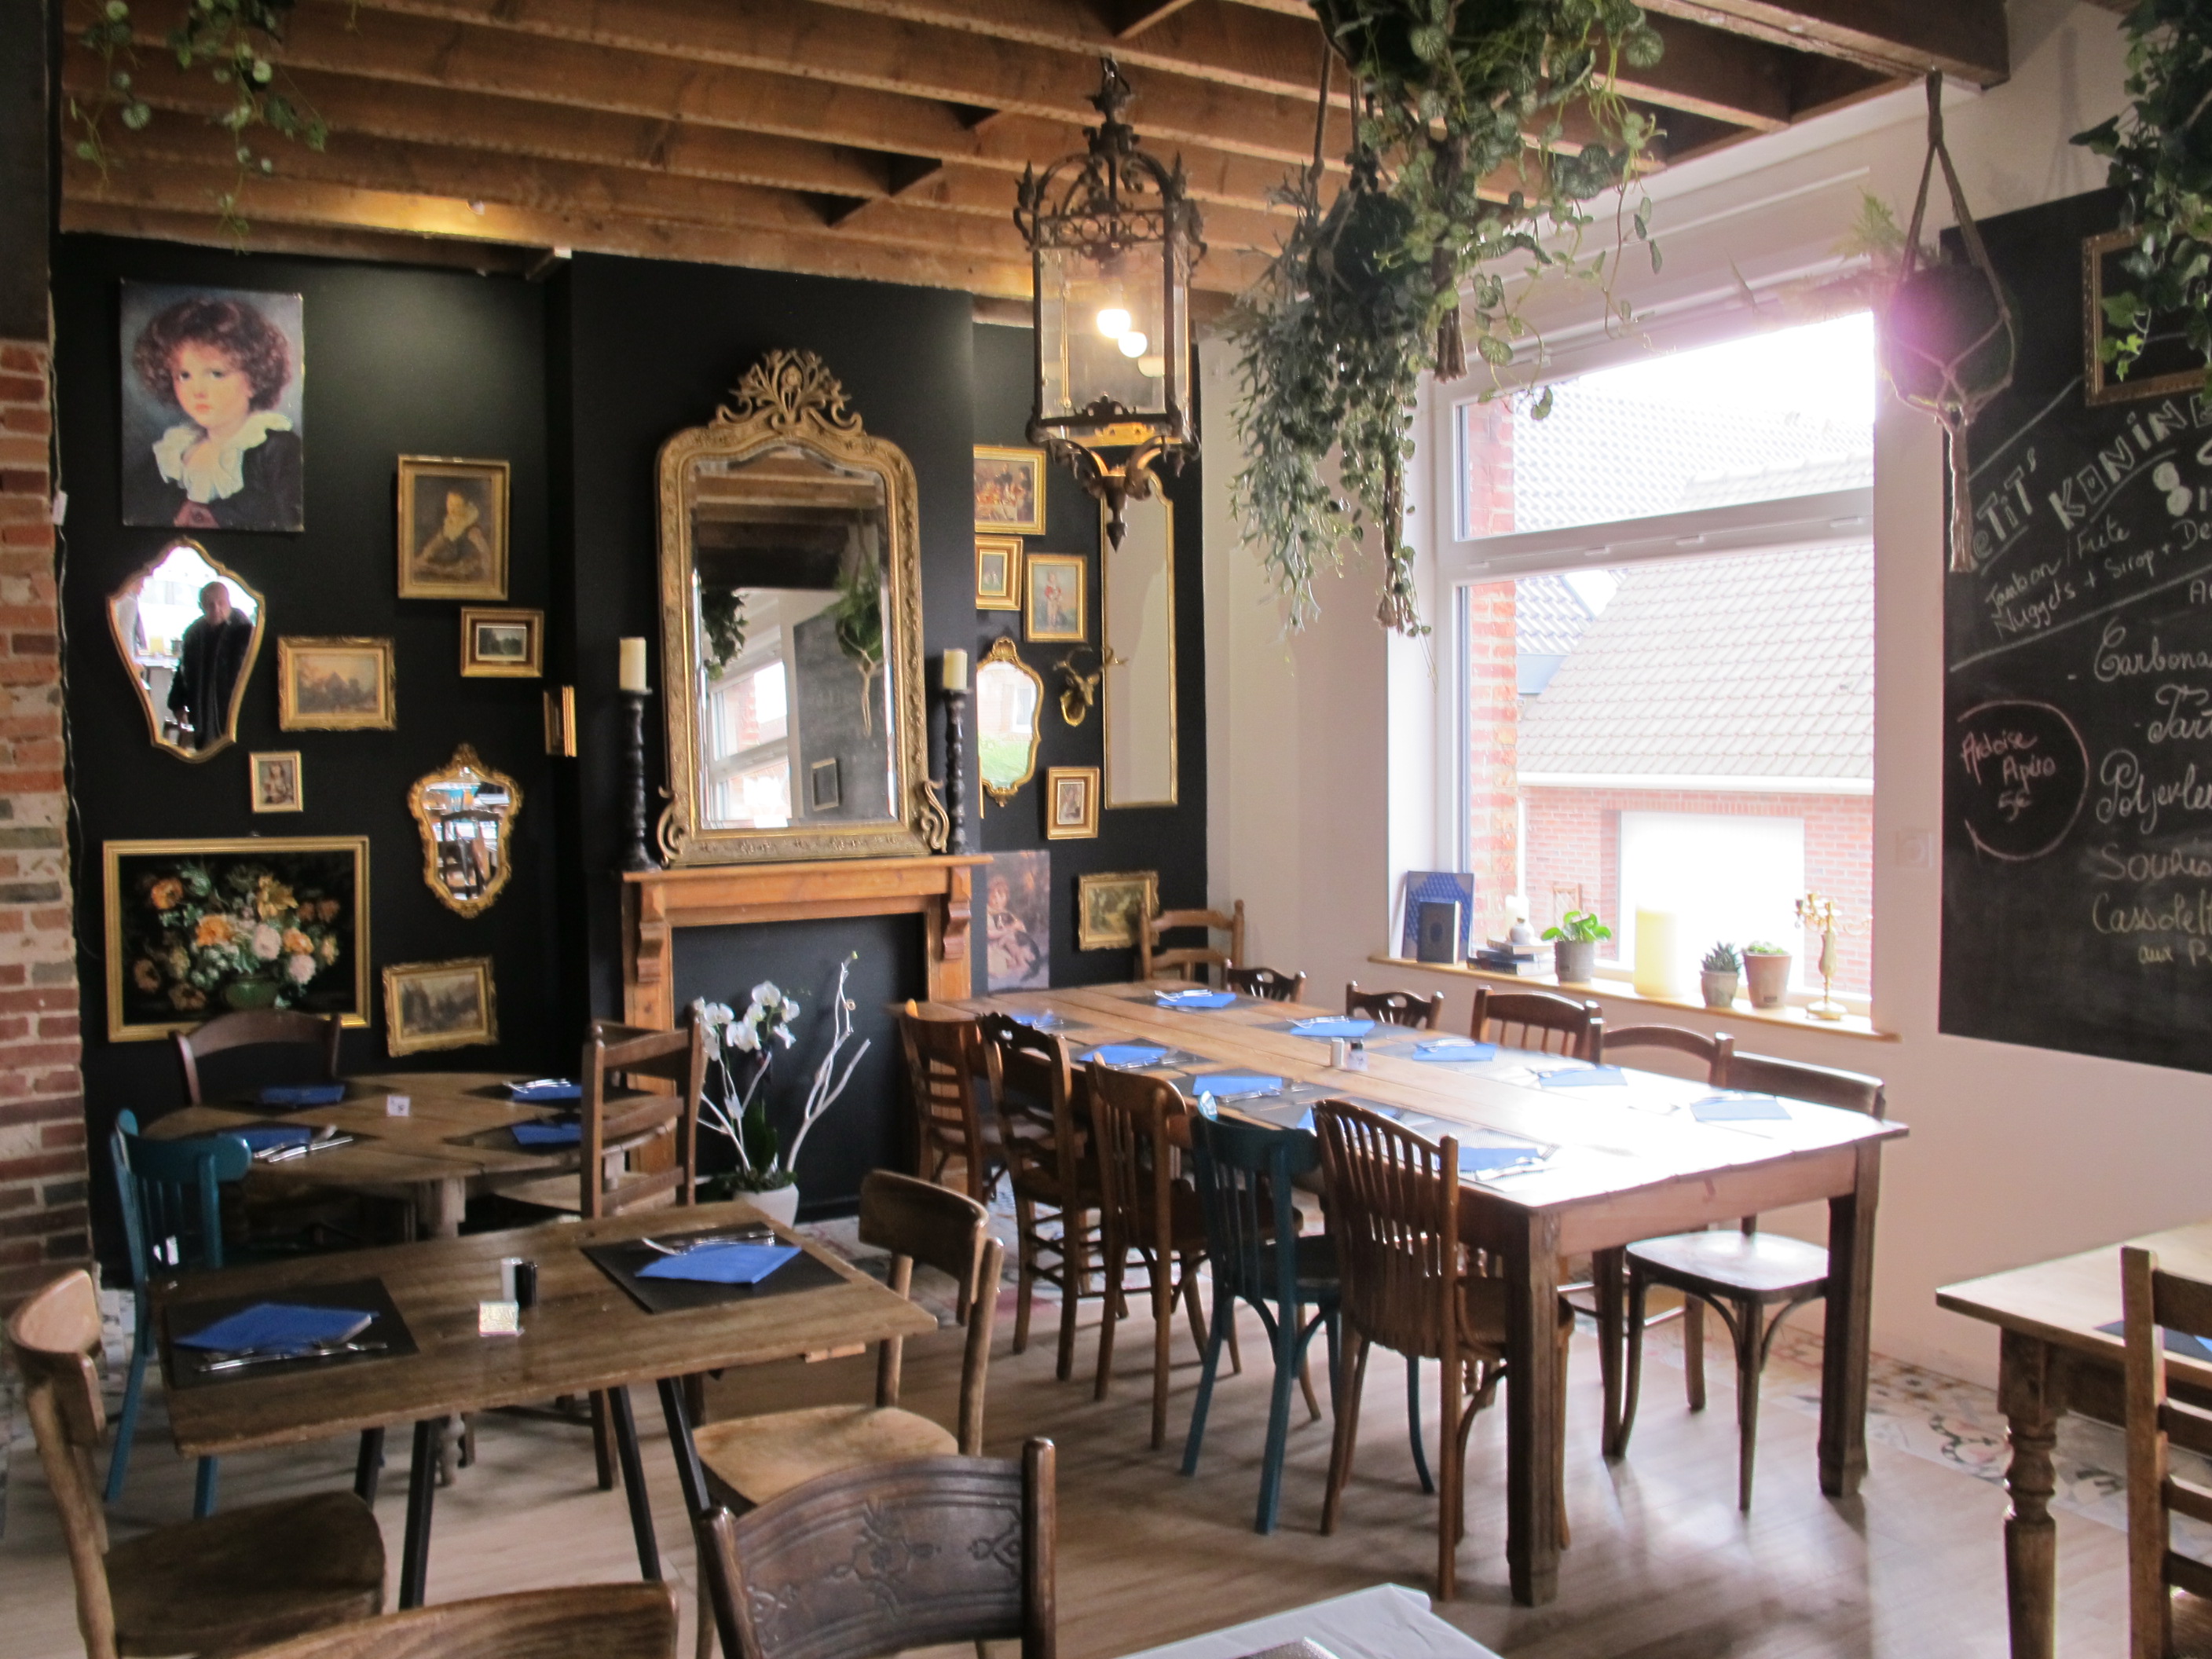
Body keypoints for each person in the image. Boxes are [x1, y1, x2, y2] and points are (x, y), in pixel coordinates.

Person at [125, 294, 302, 532]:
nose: (198, 390)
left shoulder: (277, 450)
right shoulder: (173, 452)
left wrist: (221, 518)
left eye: (216, 374)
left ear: (254, 380)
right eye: (184, 376)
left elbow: (291, 524)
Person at [168, 583, 254, 751]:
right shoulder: (194, 634)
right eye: (210, 605)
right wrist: (177, 702)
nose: (216, 609)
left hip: (239, 712)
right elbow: (183, 670)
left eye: (221, 603)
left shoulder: (245, 631)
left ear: (229, 602)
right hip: (202, 712)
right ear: (202, 606)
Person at [415, 489, 493, 581]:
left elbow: (484, 557)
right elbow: (437, 542)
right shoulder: (451, 522)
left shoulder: (472, 528)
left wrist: (430, 567)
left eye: (457, 505)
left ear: (465, 506)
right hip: (449, 568)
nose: (452, 508)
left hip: (467, 574)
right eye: (450, 503)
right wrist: (423, 557)